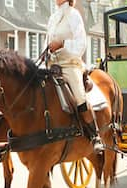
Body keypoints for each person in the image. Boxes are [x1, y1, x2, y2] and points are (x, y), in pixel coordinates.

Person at [45, 0, 103, 153]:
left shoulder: (74, 15)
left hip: (70, 63)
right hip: (52, 63)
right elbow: (48, 43)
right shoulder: (52, 18)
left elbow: (81, 44)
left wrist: (62, 44)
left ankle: (95, 135)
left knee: (79, 96)